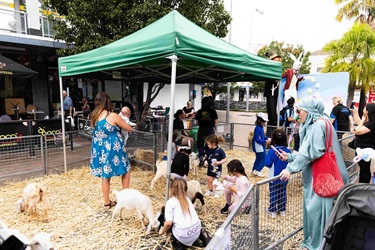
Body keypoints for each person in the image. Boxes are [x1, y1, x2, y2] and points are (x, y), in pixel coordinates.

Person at [279, 98, 349, 250]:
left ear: (309, 111)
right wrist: (290, 157)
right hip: (330, 174)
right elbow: (310, 150)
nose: (297, 115)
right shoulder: (325, 122)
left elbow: (313, 151)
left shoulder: (317, 125)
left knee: (316, 213)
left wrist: (290, 168)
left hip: (320, 177)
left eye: (299, 111)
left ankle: (317, 245)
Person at [89, 92, 134, 210]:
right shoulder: (112, 115)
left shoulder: (94, 116)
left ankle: (106, 203)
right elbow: (129, 128)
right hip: (113, 148)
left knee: (105, 175)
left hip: (100, 149)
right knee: (126, 169)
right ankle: (125, 199)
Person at [158, 178, 202, 248]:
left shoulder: (170, 202)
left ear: (171, 189)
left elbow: (168, 223)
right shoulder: (187, 199)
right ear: (186, 189)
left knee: (168, 220)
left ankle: (176, 243)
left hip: (183, 236)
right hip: (197, 232)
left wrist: (161, 231)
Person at [264, 128, 291, 218]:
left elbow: (267, 163)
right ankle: (282, 209)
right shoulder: (287, 151)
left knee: (274, 193)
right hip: (285, 175)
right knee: (283, 193)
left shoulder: (272, 151)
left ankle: (272, 211)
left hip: (273, 176)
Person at [352, 102, 375, 183]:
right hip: (361, 150)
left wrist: (362, 121)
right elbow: (358, 122)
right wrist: (355, 112)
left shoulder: (372, 124)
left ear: (368, 111)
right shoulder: (368, 121)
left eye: (365, 107)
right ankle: (362, 184)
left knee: (364, 169)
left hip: (365, 151)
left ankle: (363, 185)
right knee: (363, 168)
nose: (364, 108)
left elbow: (357, 131)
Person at [195, 96, 218, 164]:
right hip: (210, 129)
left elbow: (197, 122)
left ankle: (201, 158)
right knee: (210, 144)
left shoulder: (199, 111)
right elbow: (216, 122)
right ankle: (208, 158)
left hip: (201, 129)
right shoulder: (213, 112)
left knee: (200, 144)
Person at [251, 113, 271, 177]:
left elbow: (261, 136)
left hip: (259, 146)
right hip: (258, 146)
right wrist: (265, 141)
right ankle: (257, 170)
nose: (265, 123)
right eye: (264, 121)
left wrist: (266, 138)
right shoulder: (258, 128)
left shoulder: (260, 127)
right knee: (264, 158)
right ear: (260, 121)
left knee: (258, 159)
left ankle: (254, 170)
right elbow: (257, 138)